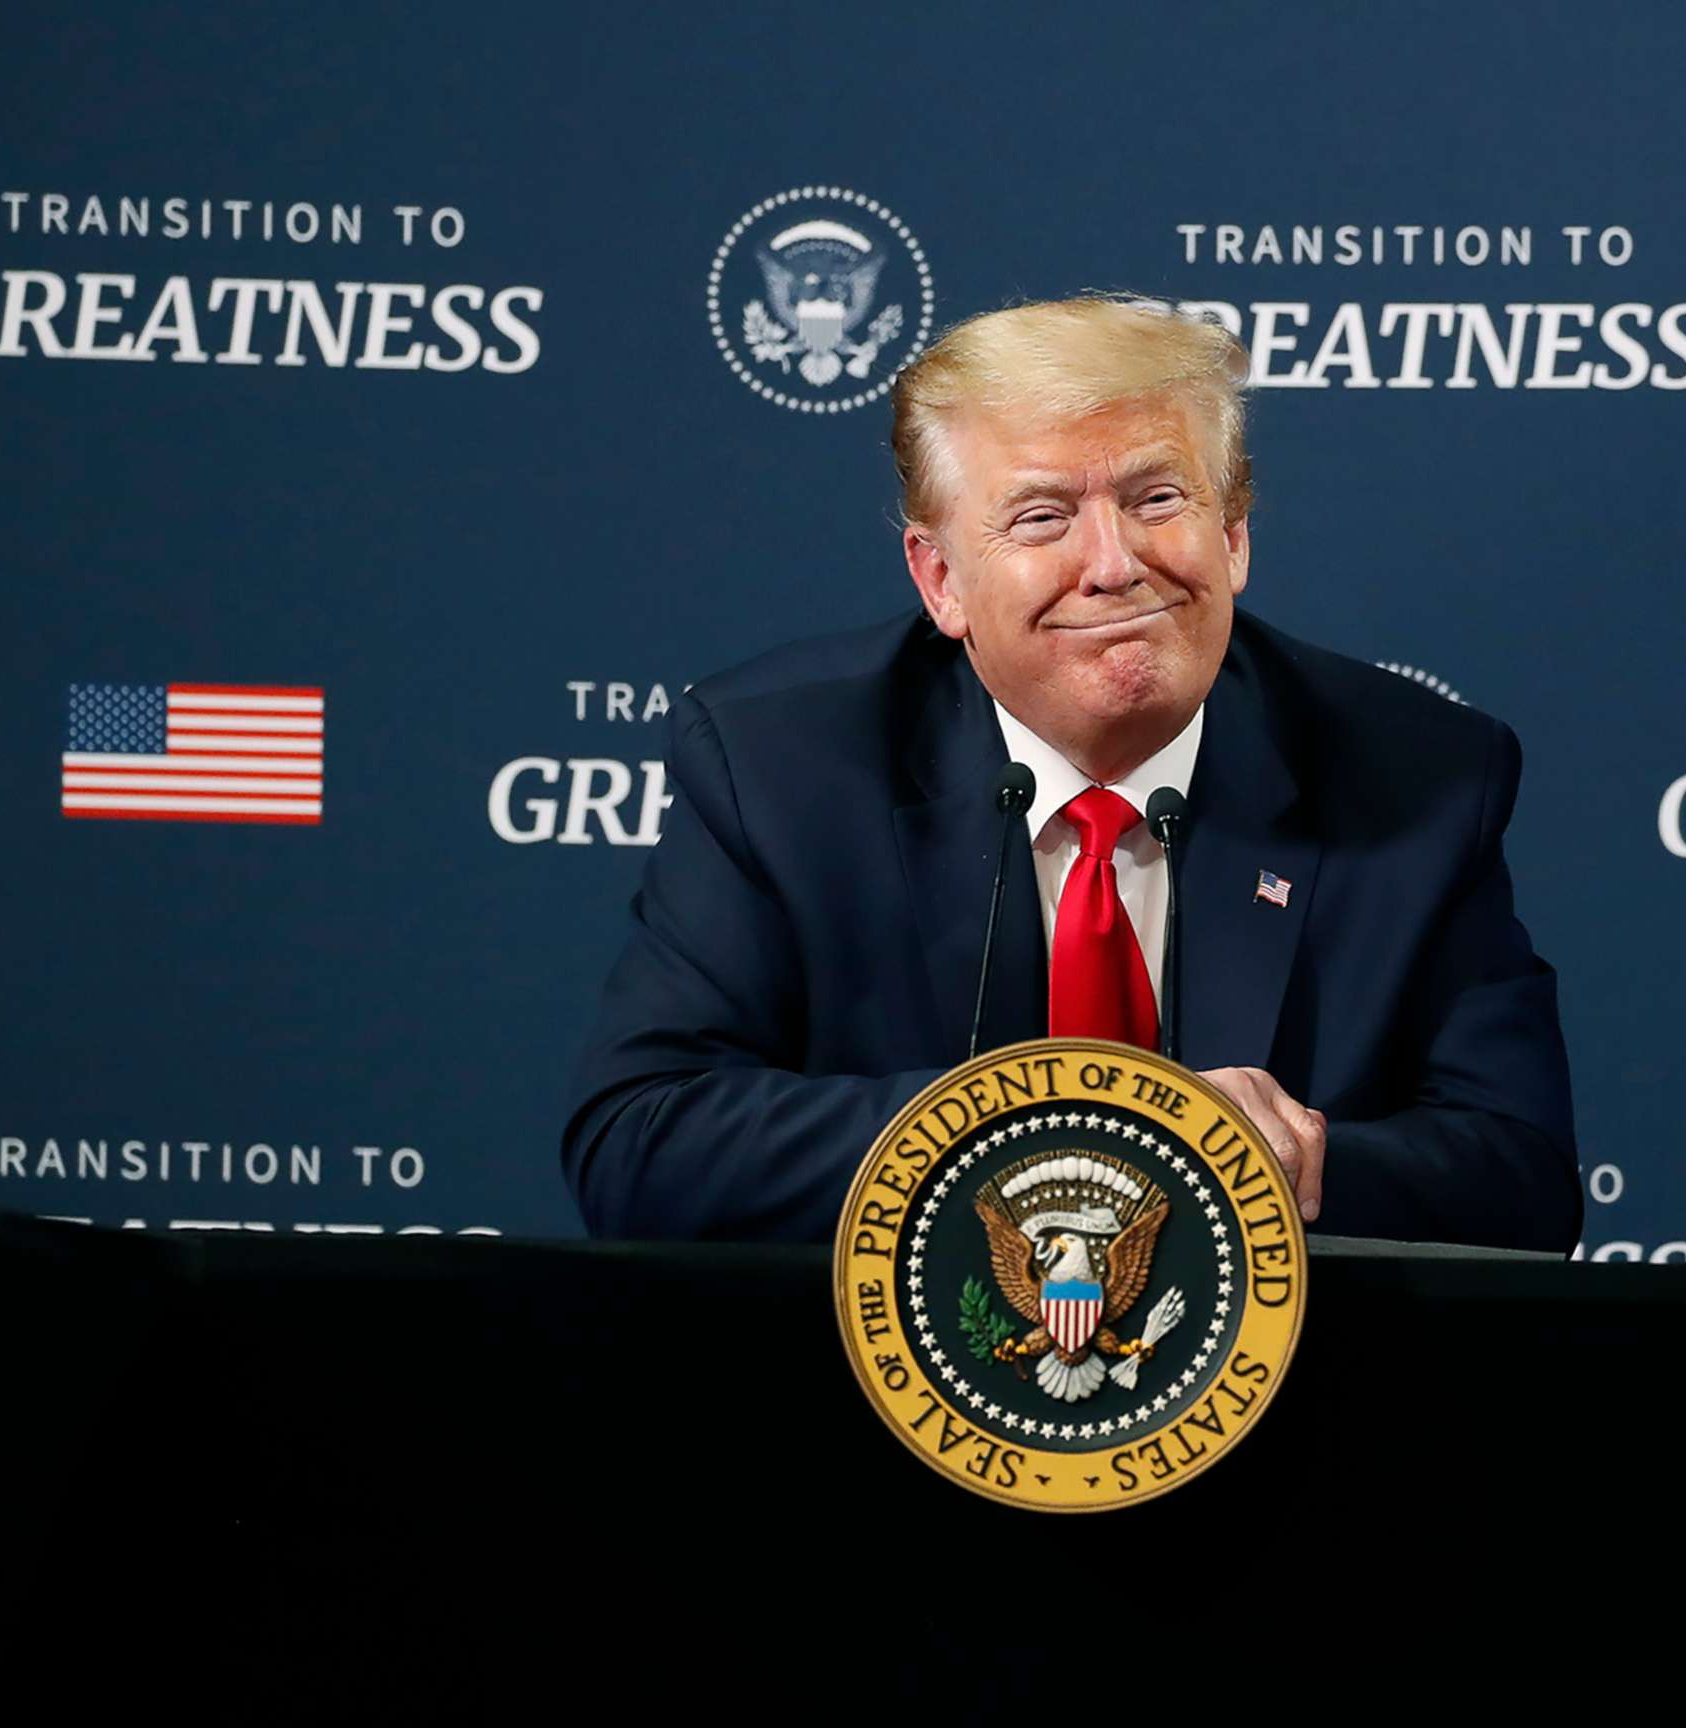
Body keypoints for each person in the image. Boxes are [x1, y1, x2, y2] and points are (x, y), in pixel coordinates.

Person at [563, 296, 1576, 1247]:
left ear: (1233, 537)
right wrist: (1061, 1132)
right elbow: (642, 1142)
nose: (1113, 563)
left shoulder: (1416, 773)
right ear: (942, 579)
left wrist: (1288, 1167)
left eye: (1158, 497)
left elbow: (1522, 1176)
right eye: (1043, 516)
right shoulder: (780, 763)